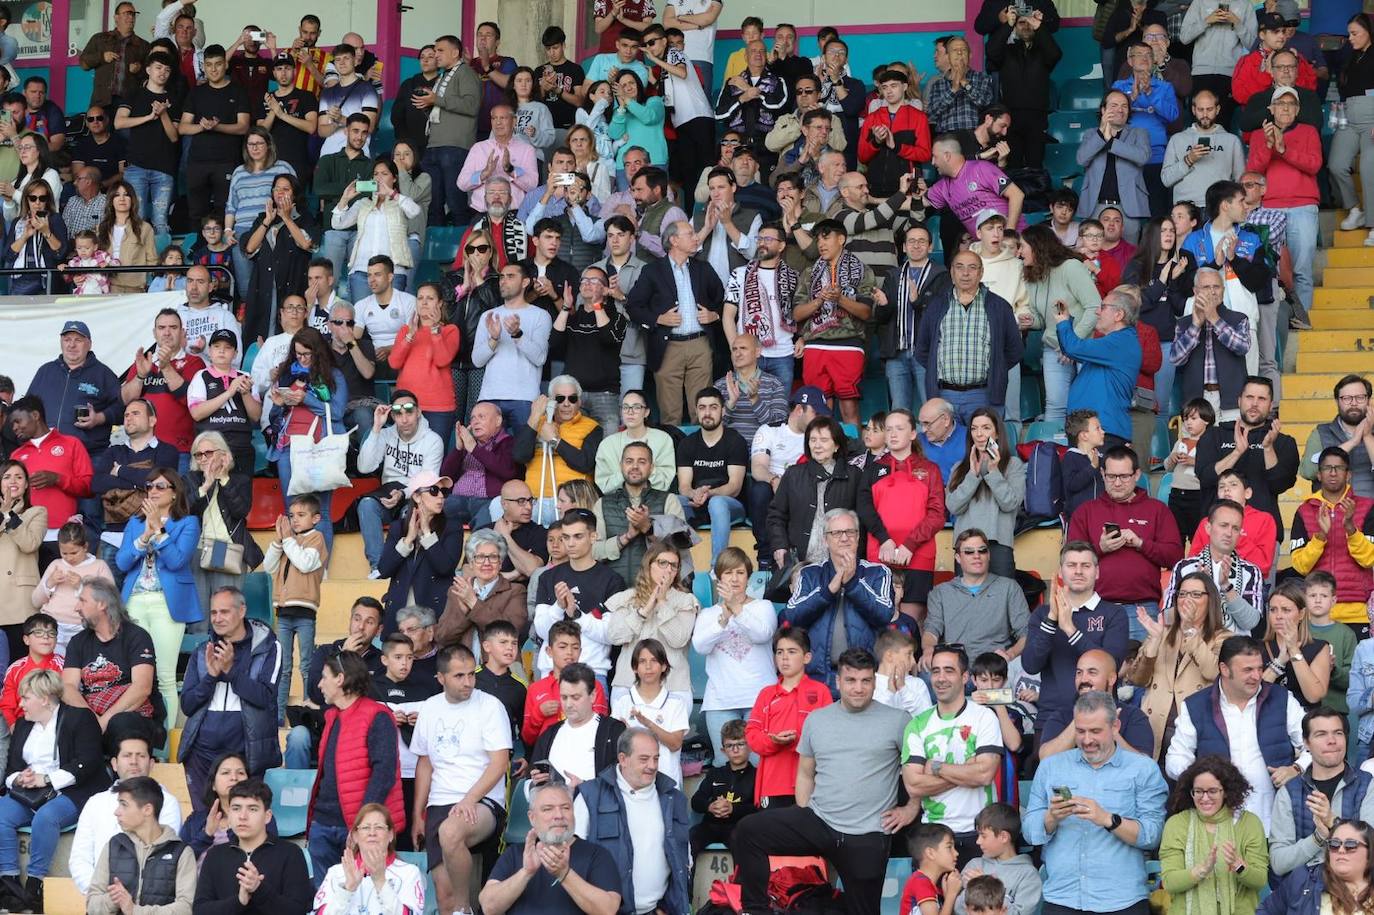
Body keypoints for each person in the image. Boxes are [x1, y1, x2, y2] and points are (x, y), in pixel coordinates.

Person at [734, 649, 915, 914]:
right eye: (851, 680)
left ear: (874, 683)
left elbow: (916, 772)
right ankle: (755, 910)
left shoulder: (898, 720)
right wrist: (805, 810)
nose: (858, 688)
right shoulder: (817, 720)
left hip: (867, 832)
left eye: (866, 681)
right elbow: (806, 773)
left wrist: (910, 808)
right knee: (747, 831)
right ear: (838, 682)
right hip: (820, 821)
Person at [1022, 690, 1169, 914]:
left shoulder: (1142, 769)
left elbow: (1152, 835)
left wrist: (1108, 820)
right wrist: (1050, 818)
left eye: (1095, 731)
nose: (1087, 739)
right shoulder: (1052, 766)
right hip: (1063, 897)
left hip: (1121, 900)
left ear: (1115, 727)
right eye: (1080, 731)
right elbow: (1030, 832)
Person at [1166, 635, 1308, 833]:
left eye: (1259, 668)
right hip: (1217, 824)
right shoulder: (1196, 705)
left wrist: (1296, 768)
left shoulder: (1281, 698)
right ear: (1224, 669)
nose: (1257, 676)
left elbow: (1314, 744)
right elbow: (1175, 759)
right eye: (1248, 670)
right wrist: (1204, 779)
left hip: (1274, 822)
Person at [410, 644, 510, 915]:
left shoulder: (490, 706)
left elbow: (500, 763)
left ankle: (463, 910)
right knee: (443, 896)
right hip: (440, 802)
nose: (468, 682)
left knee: (450, 832)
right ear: (440, 678)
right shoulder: (430, 708)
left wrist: (469, 799)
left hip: (483, 801)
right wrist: (418, 813)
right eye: (459, 676)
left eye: (471, 674)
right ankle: (455, 907)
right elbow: (425, 763)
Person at [0, 669, 110, 912]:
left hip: (74, 790)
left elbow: (89, 762)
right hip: (31, 792)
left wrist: (47, 779)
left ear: (45, 698)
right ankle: (8, 883)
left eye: (26, 698)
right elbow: (11, 769)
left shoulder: (80, 718)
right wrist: (21, 777)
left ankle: (36, 884)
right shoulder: (23, 725)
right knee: (0, 814)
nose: (21, 704)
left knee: (47, 817)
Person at [177, 585, 280, 811]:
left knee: (243, 821)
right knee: (205, 822)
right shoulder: (203, 650)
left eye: (224, 612)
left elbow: (265, 697)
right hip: (201, 753)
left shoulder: (268, 647)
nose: (217, 618)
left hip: (247, 750)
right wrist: (211, 676)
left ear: (241, 611)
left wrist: (232, 671)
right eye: (214, 613)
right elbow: (187, 704)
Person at [901, 643, 1003, 865]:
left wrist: (936, 767)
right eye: (935, 671)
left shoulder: (984, 717)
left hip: (979, 833)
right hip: (933, 834)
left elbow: (984, 775)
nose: (940, 678)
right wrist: (967, 770)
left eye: (949, 670)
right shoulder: (917, 724)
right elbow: (914, 785)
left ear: (965, 676)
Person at [115, 467, 201, 731]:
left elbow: (176, 561)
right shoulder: (134, 523)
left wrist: (160, 530)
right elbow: (121, 562)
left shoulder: (188, 523)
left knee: (163, 676)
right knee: (134, 675)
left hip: (166, 603)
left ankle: (166, 743)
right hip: (135, 602)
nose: (153, 491)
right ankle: (138, 735)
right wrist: (144, 536)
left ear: (175, 493)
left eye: (160, 486)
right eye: (150, 486)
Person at [1066, 446, 1183, 639]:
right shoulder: (1086, 511)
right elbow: (1069, 561)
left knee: (1142, 668)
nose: (1117, 483)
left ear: (1137, 474)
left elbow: (1176, 557)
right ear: (1102, 474)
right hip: (1094, 606)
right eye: (1111, 477)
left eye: (1124, 476)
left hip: (1142, 610)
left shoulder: (1157, 510)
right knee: (1096, 667)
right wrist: (1099, 549)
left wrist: (1141, 543)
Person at [626, 221, 726, 424]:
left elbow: (723, 299)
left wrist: (714, 315)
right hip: (668, 346)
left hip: (700, 344)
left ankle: (701, 454)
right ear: (674, 240)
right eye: (690, 233)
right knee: (670, 414)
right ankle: (673, 454)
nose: (696, 237)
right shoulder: (652, 271)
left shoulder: (703, 269)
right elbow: (633, 306)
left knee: (702, 411)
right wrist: (657, 319)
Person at [914, 250, 1024, 424]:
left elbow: (1015, 350)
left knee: (985, 448)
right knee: (947, 448)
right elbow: (922, 350)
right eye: (960, 267)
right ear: (952, 272)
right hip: (944, 394)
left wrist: (997, 367)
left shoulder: (999, 306)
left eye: (972, 268)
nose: (965, 273)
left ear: (981, 273)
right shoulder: (936, 305)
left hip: (984, 394)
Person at [481, 781, 621, 915]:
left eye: (565, 808)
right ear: (532, 817)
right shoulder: (515, 853)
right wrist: (526, 873)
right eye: (548, 809)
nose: (559, 816)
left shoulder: (596, 855)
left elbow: (608, 910)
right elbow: (489, 907)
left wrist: (564, 874)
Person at [856, 410, 945, 623]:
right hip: (880, 552)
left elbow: (937, 514)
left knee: (911, 623)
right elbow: (864, 508)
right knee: (881, 620)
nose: (893, 434)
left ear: (913, 433)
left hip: (918, 554)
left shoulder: (930, 469)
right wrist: (885, 539)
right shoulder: (872, 469)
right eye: (888, 429)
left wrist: (910, 545)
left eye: (899, 428)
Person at [266, 327, 347, 555]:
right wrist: (279, 404)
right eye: (298, 354)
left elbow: (338, 412)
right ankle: (297, 567)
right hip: (287, 448)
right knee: (294, 511)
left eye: (306, 354)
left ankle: (320, 571)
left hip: (319, 448)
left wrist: (307, 398)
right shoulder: (287, 373)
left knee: (319, 511)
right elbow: (274, 419)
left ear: (318, 352)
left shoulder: (334, 375)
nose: (301, 358)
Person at [70, 732, 183, 895]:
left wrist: (132, 902)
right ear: (114, 764)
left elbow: (165, 856)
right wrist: (101, 895)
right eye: (127, 755)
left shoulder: (167, 802)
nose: (134, 762)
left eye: (141, 755)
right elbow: (80, 858)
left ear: (151, 763)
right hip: (101, 900)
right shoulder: (95, 802)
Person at [1157, 755, 1270, 915]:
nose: (1204, 798)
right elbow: (1169, 882)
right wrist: (1201, 870)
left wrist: (1238, 865)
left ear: (1226, 791)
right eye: (1198, 791)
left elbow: (1259, 880)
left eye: (1212, 791)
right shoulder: (1177, 824)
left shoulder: (1249, 823)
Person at [1270, 706, 1374, 878]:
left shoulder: (1367, 784)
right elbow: (1279, 863)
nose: (1332, 740)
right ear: (1306, 743)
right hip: (1306, 898)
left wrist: (1333, 823)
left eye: (1338, 733)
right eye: (1321, 734)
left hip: (1357, 895)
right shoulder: (1289, 792)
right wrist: (1317, 838)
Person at [1196, 375, 1300, 542]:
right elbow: (1206, 477)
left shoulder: (1283, 441)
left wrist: (1268, 448)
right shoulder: (1214, 435)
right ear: (1239, 401)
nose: (1254, 404)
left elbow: (1279, 485)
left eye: (1261, 399)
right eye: (1249, 397)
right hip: (1216, 535)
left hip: (1262, 536)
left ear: (1271, 404)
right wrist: (1237, 452)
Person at [194, 778, 314, 912]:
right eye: (236, 808)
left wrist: (259, 889)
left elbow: (298, 910)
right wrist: (238, 902)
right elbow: (200, 909)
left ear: (267, 816)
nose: (242, 816)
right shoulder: (215, 855)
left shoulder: (290, 853)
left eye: (252, 809)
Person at [85, 774, 197, 915]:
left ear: (147, 810)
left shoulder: (181, 853)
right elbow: (91, 905)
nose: (116, 812)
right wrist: (113, 899)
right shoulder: (114, 846)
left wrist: (135, 911)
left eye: (124, 804)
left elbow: (186, 908)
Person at [923, 529, 1029, 668]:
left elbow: (1027, 632)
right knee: (925, 672)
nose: (977, 556)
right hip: (954, 666)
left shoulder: (1009, 587)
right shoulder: (941, 592)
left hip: (994, 667)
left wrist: (1010, 655)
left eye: (982, 550)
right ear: (958, 558)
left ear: (989, 555)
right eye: (969, 552)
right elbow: (931, 630)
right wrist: (929, 650)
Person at [377, 470, 464, 636]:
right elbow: (384, 569)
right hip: (399, 614)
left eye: (443, 492)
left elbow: (445, 567)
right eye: (433, 490)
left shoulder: (452, 527)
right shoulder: (398, 528)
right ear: (416, 497)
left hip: (432, 616)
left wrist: (427, 534)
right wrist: (408, 540)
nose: (440, 497)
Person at [945, 410, 1025, 579]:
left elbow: (1010, 504)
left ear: (997, 433)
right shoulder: (959, 467)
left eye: (986, 428)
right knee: (967, 602)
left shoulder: (1013, 465)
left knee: (1001, 601)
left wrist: (993, 472)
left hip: (999, 545)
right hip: (966, 547)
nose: (979, 434)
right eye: (974, 429)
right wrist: (972, 476)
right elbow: (953, 506)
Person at [242, 174, 318, 345]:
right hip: (265, 285)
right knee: (262, 333)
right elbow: (249, 248)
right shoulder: (263, 217)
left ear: (294, 193)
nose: (280, 193)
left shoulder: (304, 218)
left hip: (292, 284)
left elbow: (306, 243)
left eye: (286, 189)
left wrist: (286, 218)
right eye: (277, 189)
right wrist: (267, 221)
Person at [311, 803, 426, 913]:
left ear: (391, 835)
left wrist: (380, 881)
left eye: (379, 827)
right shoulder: (336, 872)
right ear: (355, 836)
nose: (372, 833)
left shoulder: (409, 873)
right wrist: (348, 889)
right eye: (366, 827)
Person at [435, 529, 528, 653]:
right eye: (480, 557)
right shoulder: (456, 591)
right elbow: (442, 637)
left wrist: (473, 603)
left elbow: (510, 633)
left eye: (493, 557)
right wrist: (464, 614)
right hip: (462, 666)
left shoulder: (515, 591)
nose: (486, 563)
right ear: (471, 563)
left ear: (500, 563)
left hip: (499, 668)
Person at [1261, 818, 1374, 915]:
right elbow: (1265, 911)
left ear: (1369, 852)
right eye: (1334, 844)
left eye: (1350, 845)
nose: (1341, 850)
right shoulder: (1303, 879)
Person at [1302, 375, 1374, 498]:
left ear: (1368, 400)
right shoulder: (1321, 433)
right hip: (1330, 512)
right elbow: (1308, 472)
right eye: (1346, 398)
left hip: (1370, 512)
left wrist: (1367, 437)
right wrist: (1352, 442)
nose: (1354, 403)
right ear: (1337, 401)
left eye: (1360, 397)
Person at [80, 2, 151, 110]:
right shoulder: (100, 39)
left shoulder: (143, 45)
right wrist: (101, 57)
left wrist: (139, 69)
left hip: (129, 103)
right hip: (102, 101)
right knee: (100, 126)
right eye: (127, 13)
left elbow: (151, 75)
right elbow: (83, 64)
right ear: (116, 17)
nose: (131, 17)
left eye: (133, 14)